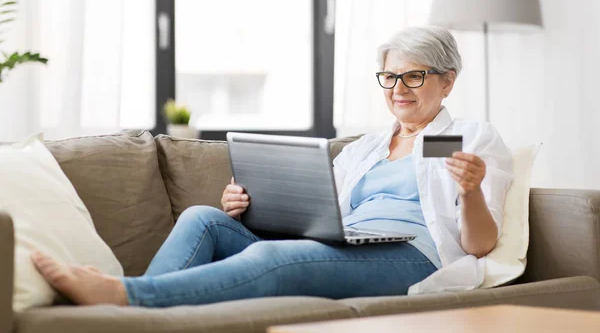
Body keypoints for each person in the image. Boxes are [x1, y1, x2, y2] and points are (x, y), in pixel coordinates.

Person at [31, 26, 513, 307]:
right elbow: (317, 216)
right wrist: (246, 208)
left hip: (413, 256)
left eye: (414, 75)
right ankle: (139, 310)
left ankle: (126, 299)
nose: (398, 88)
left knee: (269, 260)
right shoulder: (365, 147)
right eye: (390, 76)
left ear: (447, 82)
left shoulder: (469, 137)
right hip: (344, 244)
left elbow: (480, 245)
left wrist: (470, 192)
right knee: (205, 219)